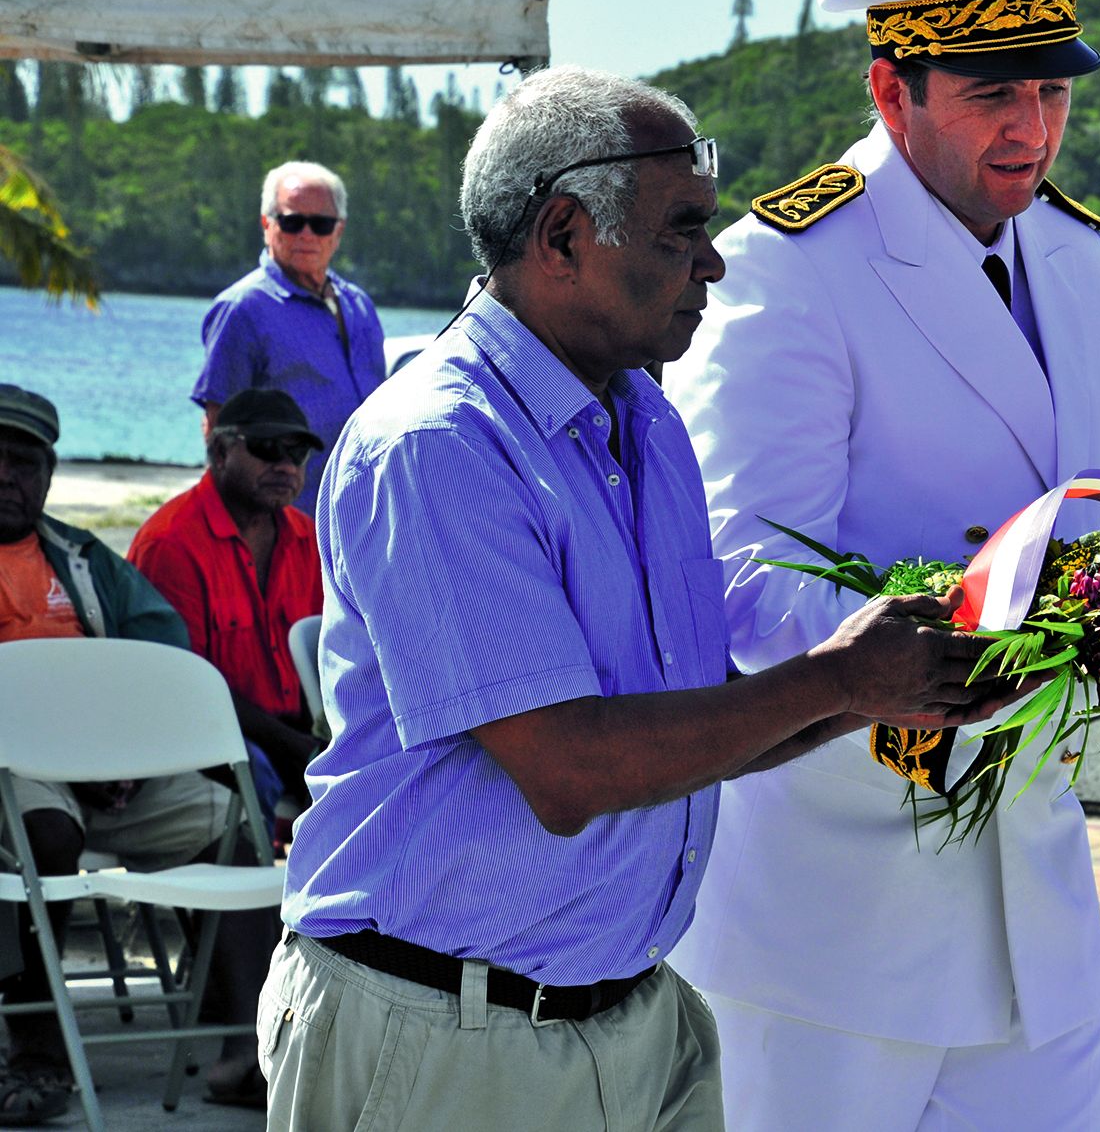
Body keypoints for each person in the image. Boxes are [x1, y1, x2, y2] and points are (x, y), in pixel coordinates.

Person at [260, 66, 1014, 1132]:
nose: (711, 259)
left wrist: (887, 689)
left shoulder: (642, 423)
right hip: (442, 1030)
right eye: (680, 229)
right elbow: (570, 768)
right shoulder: (440, 444)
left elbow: (689, 722)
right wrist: (841, 675)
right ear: (563, 233)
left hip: (622, 1015)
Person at [663, 0, 1100, 1131]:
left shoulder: (1078, 257)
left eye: (1048, 89)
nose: (1030, 125)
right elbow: (737, 576)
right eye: (991, 93)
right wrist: (950, 645)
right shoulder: (786, 264)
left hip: (1032, 891)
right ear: (892, 89)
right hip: (834, 906)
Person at [0, 384, 274, 1121]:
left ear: (49, 476)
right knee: (43, 833)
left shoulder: (81, 559)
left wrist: (128, 750)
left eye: (23, 463)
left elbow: (162, 650)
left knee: (230, 820)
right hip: (17, 775)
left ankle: (250, 1048)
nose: (6, 477)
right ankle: (36, 1053)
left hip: (115, 768)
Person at [128, 388, 325, 826]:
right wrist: (298, 747)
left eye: (298, 452)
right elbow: (181, 687)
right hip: (194, 731)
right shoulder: (171, 544)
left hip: (287, 730)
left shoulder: (307, 539)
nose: (286, 465)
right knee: (259, 772)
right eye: (267, 447)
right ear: (219, 450)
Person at [190, 160, 385, 506]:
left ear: (338, 231)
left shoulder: (360, 307)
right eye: (292, 221)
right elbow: (219, 431)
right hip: (283, 523)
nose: (307, 235)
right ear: (267, 225)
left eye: (321, 224)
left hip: (359, 519)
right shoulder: (243, 309)